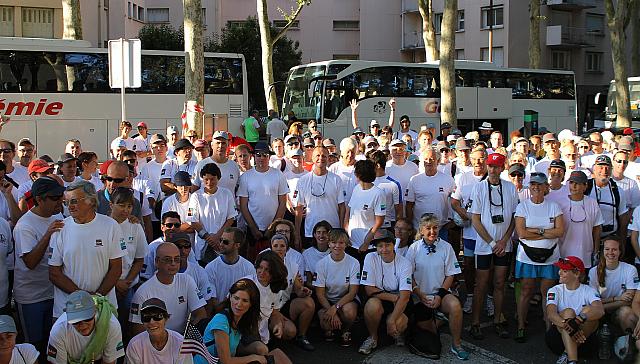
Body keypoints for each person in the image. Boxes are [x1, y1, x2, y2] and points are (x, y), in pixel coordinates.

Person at [48, 180, 124, 319]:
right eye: (67, 202)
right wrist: (84, 298)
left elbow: (116, 268)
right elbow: (54, 273)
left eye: (74, 201)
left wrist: (97, 297)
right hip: (67, 310)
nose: (70, 206)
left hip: (103, 307)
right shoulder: (60, 229)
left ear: (91, 201)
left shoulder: (110, 226)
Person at [466, 153, 519, 339]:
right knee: (480, 284)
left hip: (503, 246)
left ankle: (497, 319)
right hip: (484, 246)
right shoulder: (479, 188)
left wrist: (504, 240)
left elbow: (514, 217)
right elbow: (475, 219)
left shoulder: (510, 188)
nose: (493, 170)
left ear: (503, 168)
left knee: (499, 283)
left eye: (497, 166)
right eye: (490, 166)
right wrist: (491, 242)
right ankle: (475, 322)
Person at [405, 214, 469, 360]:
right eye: (428, 228)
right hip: (419, 296)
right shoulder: (413, 248)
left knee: (455, 306)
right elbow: (409, 276)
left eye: (435, 228)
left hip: (440, 293)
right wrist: (420, 295)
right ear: (421, 230)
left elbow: (450, 275)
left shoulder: (446, 247)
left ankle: (457, 344)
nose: (432, 231)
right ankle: (437, 321)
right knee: (430, 339)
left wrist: (439, 296)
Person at [13, 177, 64, 355]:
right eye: (55, 197)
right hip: (31, 297)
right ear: (40, 199)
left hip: (54, 293)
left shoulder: (58, 215)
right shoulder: (24, 226)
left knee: (54, 341)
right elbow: (30, 263)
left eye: (61, 196)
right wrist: (48, 234)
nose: (61, 200)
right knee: (33, 347)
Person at [514, 172, 565, 343]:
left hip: (551, 257)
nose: (536, 187)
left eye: (539, 184)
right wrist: (546, 233)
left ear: (546, 187)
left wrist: (535, 231)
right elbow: (521, 233)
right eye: (533, 184)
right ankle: (521, 325)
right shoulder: (522, 206)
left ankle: (549, 328)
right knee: (527, 291)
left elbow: (560, 231)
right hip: (527, 256)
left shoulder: (554, 206)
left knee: (547, 293)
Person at [199, 278, 292, 364]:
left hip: (230, 358)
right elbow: (226, 361)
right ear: (230, 297)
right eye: (236, 298)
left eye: (245, 300)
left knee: (277, 355)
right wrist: (255, 358)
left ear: (251, 303)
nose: (239, 304)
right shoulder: (221, 321)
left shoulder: (244, 318)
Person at [130, 242, 207, 335]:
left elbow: (201, 314)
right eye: (167, 260)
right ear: (157, 262)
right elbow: (138, 332)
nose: (173, 263)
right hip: (154, 343)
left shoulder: (187, 281)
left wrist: (186, 338)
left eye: (177, 259)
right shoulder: (143, 293)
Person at [358, 230, 412, 355]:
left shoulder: (405, 263)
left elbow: (405, 297)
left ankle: (397, 331)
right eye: (380, 246)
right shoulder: (370, 257)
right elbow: (369, 289)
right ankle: (373, 337)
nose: (384, 249)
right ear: (376, 248)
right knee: (372, 305)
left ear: (394, 245)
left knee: (400, 323)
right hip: (384, 297)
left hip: (398, 300)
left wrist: (391, 320)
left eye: (387, 245)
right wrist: (393, 297)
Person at [545, 257, 604, 364]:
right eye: (560, 269)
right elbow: (551, 314)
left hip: (584, 340)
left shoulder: (589, 290)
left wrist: (577, 321)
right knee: (568, 312)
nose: (560, 273)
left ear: (576, 274)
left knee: (589, 310)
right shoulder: (554, 290)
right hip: (558, 340)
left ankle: (567, 353)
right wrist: (570, 327)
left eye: (565, 271)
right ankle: (573, 361)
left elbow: (600, 311)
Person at [451, 147, 487, 314]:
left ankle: (488, 298)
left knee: (487, 267)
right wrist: (465, 215)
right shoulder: (464, 178)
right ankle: (471, 296)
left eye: (481, 158)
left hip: (488, 233)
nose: (478, 162)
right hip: (470, 234)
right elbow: (455, 202)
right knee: (469, 265)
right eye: (475, 159)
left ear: (486, 159)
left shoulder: (493, 179)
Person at [238, 142, 288, 260]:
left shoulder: (278, 175)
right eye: (258, 155)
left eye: (264, 155)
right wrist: (253, 228)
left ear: (269, 157)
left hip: (274, 229)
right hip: (252, 229)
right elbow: (243, 205)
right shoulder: (246, 176)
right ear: (254, 156)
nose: (261, 158)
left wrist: (273, 226)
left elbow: (282, 203)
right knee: (253, 260)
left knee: (274, 260)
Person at [47, 290, 124, 364]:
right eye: (76, 321)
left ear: (94, 311)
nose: (82, 325)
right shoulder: (58, 331)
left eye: (87, 318)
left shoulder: (111, 325)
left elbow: (109, 362)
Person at [313, 228, 360, 347]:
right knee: (326, 322)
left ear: (346, 244)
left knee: (349, 312)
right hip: (327, 300)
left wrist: (335, 308)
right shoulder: (321, 264)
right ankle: (330, 330)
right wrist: (331, 310)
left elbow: (352, 292)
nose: (337, 246)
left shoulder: (354, 263)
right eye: (334, 242)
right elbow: (320, 294)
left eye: (341, 243)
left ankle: (346, 330)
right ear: (329, 243)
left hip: (346, 300)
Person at [269, 234, 316, 351]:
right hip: (267, 309)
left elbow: (298, 289)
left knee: (308, 303)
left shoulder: (293, 265)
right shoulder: (264, 266)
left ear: (286, 249)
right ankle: (269, 338)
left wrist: (303, 291)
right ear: (271, 248)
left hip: (284, 304)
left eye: (282, 246)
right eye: (275, 246)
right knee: (288, 331)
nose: (279, 248)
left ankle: (302, 337)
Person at [109, 187, 148, 328]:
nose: (126, 210)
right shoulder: (103, 226)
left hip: (127, 287)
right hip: (106, 286)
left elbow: (139, 259)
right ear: (111, 204)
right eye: (121, 205)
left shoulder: (135, 227)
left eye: (129, 206)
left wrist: (126, 282)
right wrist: (115, 282)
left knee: (128, 325)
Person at [295, 147, 345, 248]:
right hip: (311, 232)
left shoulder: (336, 179)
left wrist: (340, 229)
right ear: (312, 158)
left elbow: (342, 207)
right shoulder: (303, 180)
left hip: (333, 231)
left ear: (328, 158)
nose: (321, 158)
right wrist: (297, 233)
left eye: (324, 156)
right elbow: (299, 208)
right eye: (318, 155)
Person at [188, 163, 237, 264]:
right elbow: (192, 220)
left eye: (212, 179)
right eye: (206, 179)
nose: (209, 182)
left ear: (218, 178)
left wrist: (218, 236)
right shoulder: (195, 196)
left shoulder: (227, 194)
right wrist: (208, 237)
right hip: (202, 246)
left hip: (221, 245)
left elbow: (231, 218)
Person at [588, 238, 637, 335]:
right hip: (600, 311)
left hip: (617, 310)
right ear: (602, 251)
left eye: (614, 249)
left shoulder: (630, 269)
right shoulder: (593, 271)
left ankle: (630, 343)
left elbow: (629, 299)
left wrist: (601, 306)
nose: (610, 252)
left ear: (620, 252)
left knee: (626, 313)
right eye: (607, 249)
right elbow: (593, 301)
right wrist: (617, 298)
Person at [406, 147, 455, 239]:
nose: (429, 161)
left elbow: (455, 202)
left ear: (438, 161)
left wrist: (452, 221)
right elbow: (409, 205)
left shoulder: (448, 179)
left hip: (440, 229)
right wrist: (411, 226)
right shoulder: (414, 180)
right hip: (419, 230)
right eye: (426, 159)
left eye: (432, 159)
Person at [557, 171, 603, 269]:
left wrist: (596, 251)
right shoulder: (560, 204)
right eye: (572, 183)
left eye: (577, 183)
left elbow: (597, 229)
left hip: (586, 254)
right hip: (564, 253)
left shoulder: (592, 203)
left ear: (585, 186)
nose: (574, 186)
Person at [126, 298, 194, 364]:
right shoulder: (135, 345)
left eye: (158, 316)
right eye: (146, 318)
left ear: (166, 318)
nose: (152, 322)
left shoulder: (181, 344)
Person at [204, 227, 257, 307]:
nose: (221, 244)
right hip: (218, 313)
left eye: (225, 242)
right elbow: (212, 299)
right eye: (220, 240)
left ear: (237, 245)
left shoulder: (249, 268)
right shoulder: (210, 267)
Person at [344, 159, 385, 259]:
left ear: (358, 175)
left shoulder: (378, 194)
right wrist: (346, 234)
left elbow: (379, 221)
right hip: (351, 244)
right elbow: (348, 211)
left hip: (368, 247)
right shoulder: (356, 188)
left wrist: (366, 242)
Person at [587, 155, 629, 240]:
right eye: (601, 167)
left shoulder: (618, 191)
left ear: (611, 170)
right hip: (588, 238)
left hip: (609, 239)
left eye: (607, 167)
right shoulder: (586, 188)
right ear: (594, 169)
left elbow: (623, 218)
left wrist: (622, 242)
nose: (604, 171)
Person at [171, 233, 215, 315]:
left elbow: (207, 302)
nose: (183, 250)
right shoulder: (164, 271)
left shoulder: (199, 271)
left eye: (186, 246)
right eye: (178, 246)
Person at [193, 131, 241, 195]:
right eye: (218, 143)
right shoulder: (201, 165)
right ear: (212, 145)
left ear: (228, 145)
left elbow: (238, 190)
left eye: (223, 143)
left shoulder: (234, 166)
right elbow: (194, 190)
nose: (220, 146)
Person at [385, 139, 418, 209]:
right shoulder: (386, 167)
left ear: (405, 151)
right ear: (390, 152)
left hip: (410, 209)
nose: (398, 152)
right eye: (394, 149)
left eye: (401, 149)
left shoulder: (413, 166)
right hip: (391, 211)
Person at [302, 221, 332, 286]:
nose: (321, 235)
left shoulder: (335, 252)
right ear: (314, 235)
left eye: (324, 232)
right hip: (315, 289)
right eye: (318, 232)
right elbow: (308, 281)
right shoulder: (307, 254)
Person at [328, 138, 358, 203]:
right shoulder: (334, 168)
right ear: (342, 152)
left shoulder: (360, 167)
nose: (350, 155)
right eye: (348, 152)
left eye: (353, 152)